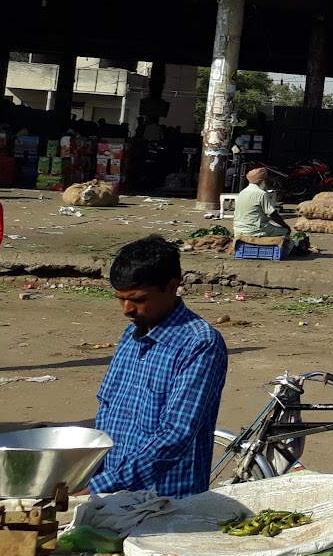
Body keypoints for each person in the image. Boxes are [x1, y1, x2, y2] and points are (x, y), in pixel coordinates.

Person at [90, 236, 229, 498]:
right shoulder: (131, 334)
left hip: (165, 499)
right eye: (120, 299)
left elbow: (175, 435)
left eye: (138, 299)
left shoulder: (200, 343)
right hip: (112, 490)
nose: (127, 309)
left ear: (172, 287)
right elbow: (107, 409)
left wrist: (104, 485)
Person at [233, 168, 290, 239]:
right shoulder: (261, 194)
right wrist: (285, 226)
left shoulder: (242, 193)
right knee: (285, 231)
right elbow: (273, 214)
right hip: (255, 230)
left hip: (238, 230)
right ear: (262, 181)